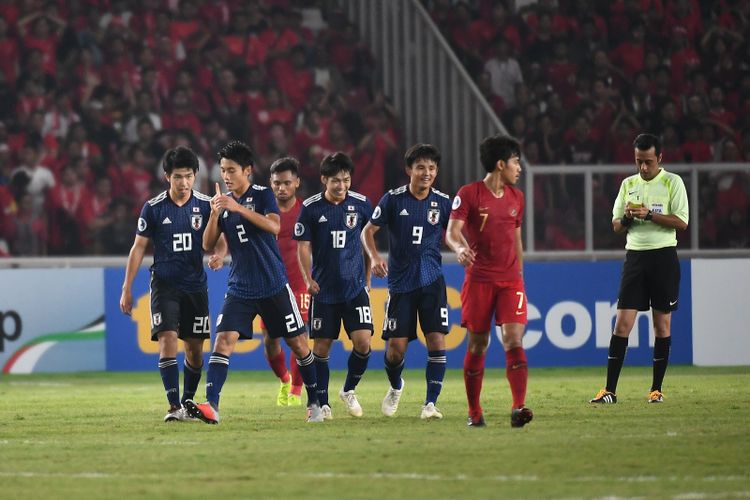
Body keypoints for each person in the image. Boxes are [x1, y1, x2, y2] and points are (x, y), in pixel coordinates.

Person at [184, 141, 323, 424]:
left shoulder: (262, 196)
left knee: (298, 344)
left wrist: (237, 208)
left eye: (231, 170)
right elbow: (208, 244)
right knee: (223, 341)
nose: (225, 176)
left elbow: (275, 226)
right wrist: (214, 214)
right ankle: (212, 405)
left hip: (273, 284)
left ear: (247, 170)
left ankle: (315, 401)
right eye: (223, 170)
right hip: (240, 287)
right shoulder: (222, 204)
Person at [590, 133, 689, 405]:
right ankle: (609, 390)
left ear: (659, 158)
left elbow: (681, 222)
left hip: (663, 257)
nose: (643, 168)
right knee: (622, 323)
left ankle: (656, 390)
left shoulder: (672, 182)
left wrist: (650, 215)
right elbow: (615, 224)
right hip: (635, 258)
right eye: (638, 162)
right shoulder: (628, 184)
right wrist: (627, 218)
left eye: (647, 162)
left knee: (661, 324)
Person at [119, 146, 214, 422]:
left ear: (195, 175)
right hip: (165, 285)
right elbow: (138, 248)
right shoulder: (154, 208)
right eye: (177, 177)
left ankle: (187, 402)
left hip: (195, 287)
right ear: (166, 177)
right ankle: (174, 407)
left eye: (188, 176)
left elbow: (218, 236)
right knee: (168, 340)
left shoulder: (206, 205)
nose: (183, 183)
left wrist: (219, 253)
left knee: (195, 350)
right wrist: (127, 287)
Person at [446, 134, 533, 428]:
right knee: (479, 343)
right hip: (480, 279)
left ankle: (518, 407)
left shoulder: (517, 199)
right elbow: (452, 231)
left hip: (510, 281)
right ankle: (474, 411)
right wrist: (460, 249)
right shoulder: (469, 194)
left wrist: (520, 279)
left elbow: (517, 241)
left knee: (513, 338)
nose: (519, 168)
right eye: (515, 162)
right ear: (500, 164)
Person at [360, 143, 452, 420]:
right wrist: (375, 258)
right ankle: (396, 386)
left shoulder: (443, 202)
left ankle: (430, 404)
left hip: (432, 281)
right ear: (409, 169)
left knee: (437, 341)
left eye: (432, 168)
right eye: (421, 167)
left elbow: (455, 232)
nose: (427, 173)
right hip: (400, 284)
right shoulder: (393, 199)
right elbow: (368, 231)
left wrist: (462, 248)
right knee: (395, 352)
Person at [294, 152, 374, 419]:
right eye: (335, 181)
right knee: (321, 348)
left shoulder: (362, 205)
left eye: (346, 180)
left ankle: (348, 390)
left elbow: (367, 243)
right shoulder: (311, 207)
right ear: (323, 180)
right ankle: (323, 403)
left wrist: (368, 278)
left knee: (363, 343)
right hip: (324, 291)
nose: (341, 186)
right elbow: (303, 246)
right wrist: (308, 280)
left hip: (354, 289)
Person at [261, 157, 307, 406]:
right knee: (270, 340)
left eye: (287, 183)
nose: (282, 188)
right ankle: (284, 380)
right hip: (271, 284)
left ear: (297, 183)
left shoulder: (306, 211)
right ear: (271, 183)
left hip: (299, 283)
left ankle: (296, 391)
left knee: (298, 339)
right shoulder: (264, 212)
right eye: (277, 183)